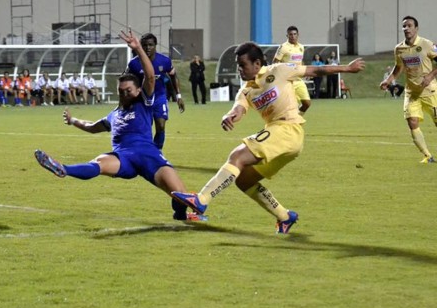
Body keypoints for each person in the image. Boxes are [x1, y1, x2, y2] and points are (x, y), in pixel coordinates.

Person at [172, 42, 365, 233]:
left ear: (257, 64)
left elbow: (314, 71)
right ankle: (285, 216)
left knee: (237, 157)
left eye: (243, 65)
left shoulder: (279, 70)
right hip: (281, 138)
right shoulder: (246, 90)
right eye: (238, 66)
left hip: (288, 129)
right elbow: (238, 109)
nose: (239, 69)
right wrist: (229, 116)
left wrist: (347, 68)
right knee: (244, 180)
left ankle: (202, 200)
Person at [34, 28, 197, 222]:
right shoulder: (115, 114)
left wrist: (138, 48)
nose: (124, 94)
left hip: (149, 157)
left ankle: (181, 216)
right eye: (121, 91)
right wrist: (73, 121)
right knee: (98, 164)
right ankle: (63, 169)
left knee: (180, 193)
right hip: (123, 158)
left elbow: (151, 77)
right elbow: (93, 127)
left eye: (128, 90)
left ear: (138, 91)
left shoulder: (144, 103)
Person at [380, 15, 437, 163]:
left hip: (430, 90)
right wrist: (389, 80)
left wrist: (430, 76)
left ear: (416, 28)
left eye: (409, 26)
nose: (406, 29)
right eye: (404, 26)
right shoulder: (399, 49)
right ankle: (427, 156)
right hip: (412, 92)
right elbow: (399, 67)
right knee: (412, 121)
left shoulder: (427, 44)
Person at [125, 33, 185, 149]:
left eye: (150, 45)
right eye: (145, 45)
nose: (148, 48)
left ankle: (156, 153)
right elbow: (126, 80)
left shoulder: (165, 61)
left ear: (155, 45)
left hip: (159, 97)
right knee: (145, 129)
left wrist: (178, 96)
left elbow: (173, 76)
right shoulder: (134, 63)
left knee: (161, 126)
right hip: (141, 100)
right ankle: (145, 152)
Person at [273, 26, 311, 114]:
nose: (293, 36)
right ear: (287, 36)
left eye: (294, 34)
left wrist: (305, 71)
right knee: (290, 107)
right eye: (290, 34)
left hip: (298, 80)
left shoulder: (301, 47)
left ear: (298, 35)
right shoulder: (283, 47)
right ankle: (291, 122)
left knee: (307, 104)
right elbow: (274, 63)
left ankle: (296, 120)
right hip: (287, 81)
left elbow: (300, 61)